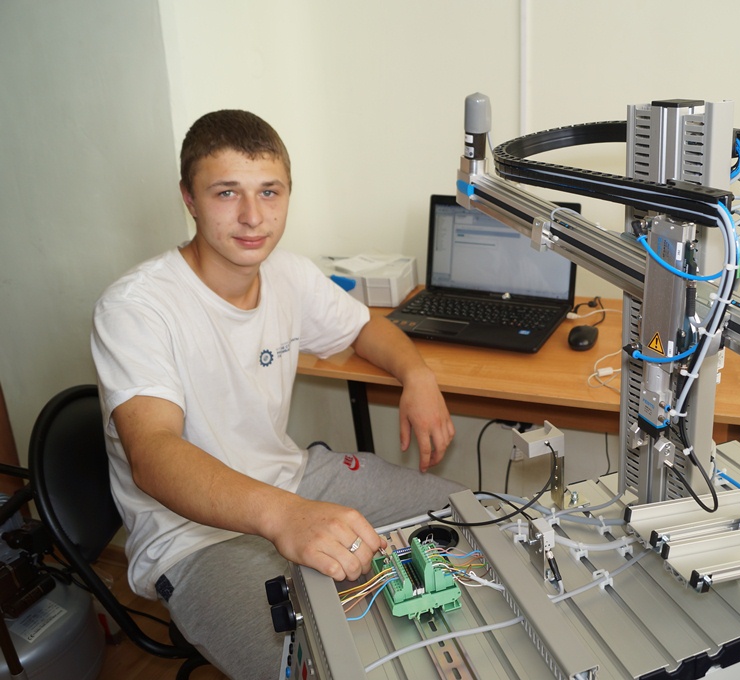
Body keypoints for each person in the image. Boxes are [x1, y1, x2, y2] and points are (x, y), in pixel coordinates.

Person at [91, 109, 464, 678]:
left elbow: (365, 328)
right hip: (192, 539)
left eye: (269, 192)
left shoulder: (289, 274)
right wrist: (286, 516)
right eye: (226, 193)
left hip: (295, 480)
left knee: (473, 517)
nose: (252, 216)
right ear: (189, 199)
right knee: (319, 666)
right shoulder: (136, 308)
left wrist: (418, 376)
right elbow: (153, 453)